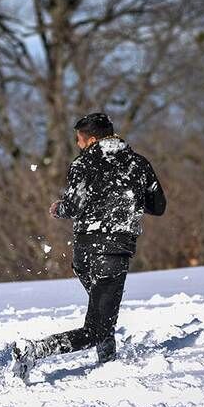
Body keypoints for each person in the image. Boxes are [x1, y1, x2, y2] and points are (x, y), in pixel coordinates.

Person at [11, 113, 166, 380]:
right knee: (97, 327)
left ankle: (108, 362)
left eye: (79, 140)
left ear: (92, 139)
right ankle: (34, 350)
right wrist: (131, 197)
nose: (79, 145)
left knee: (101, 313)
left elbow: (73, 206)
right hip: (114, 251)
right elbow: (158, 206)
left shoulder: (82, 163)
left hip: (84, 252)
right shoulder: (138, 164)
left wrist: (58, 208)